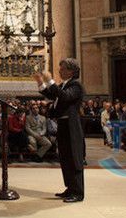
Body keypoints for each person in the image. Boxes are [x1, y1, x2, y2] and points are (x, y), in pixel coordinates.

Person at [34, 58, 85, 203]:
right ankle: (70, 188)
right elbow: (52, 94)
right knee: (64, 157)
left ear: (71, 71)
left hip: (72, 126)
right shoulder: (64, 85)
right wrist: (40, 82)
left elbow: (65, 96)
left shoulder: (76, 85)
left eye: (62, 69)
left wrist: (50, 80)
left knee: (73, 158)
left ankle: (78, 192)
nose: (59, 71)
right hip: (63, 124)